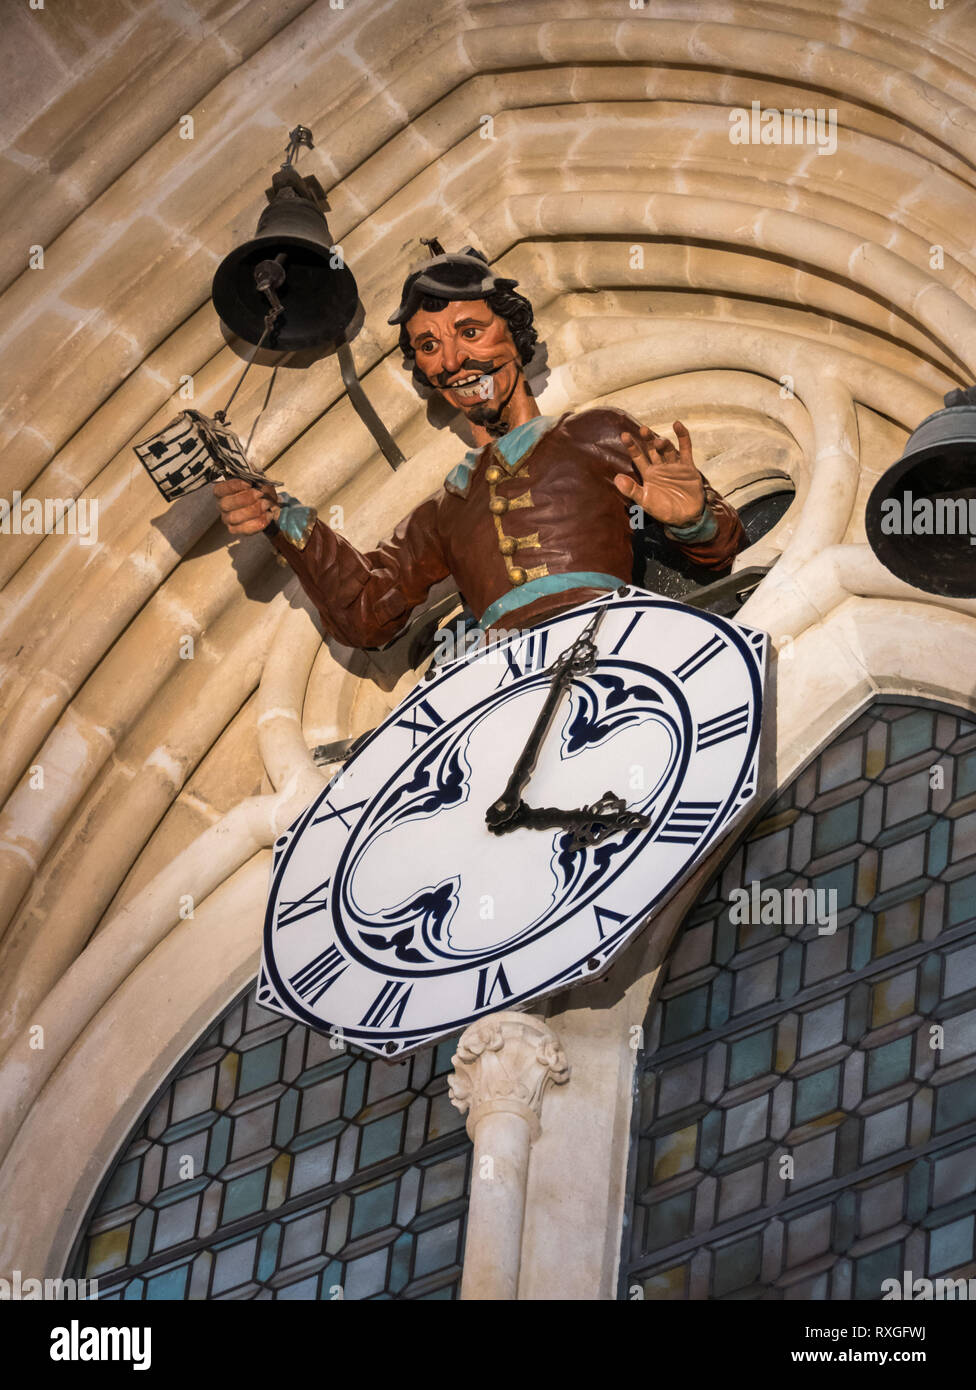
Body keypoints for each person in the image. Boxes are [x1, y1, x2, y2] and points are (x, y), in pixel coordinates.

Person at [215, 247, 745, 646]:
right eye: (429, 346)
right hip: (502, 677)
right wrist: (279, 517)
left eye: (469, 332)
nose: (450, 361)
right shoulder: (444, 510)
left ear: (513, 334)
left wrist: (693, 520)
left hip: (610, 639)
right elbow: (366, 614)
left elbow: (724, 547)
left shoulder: (598, 432)